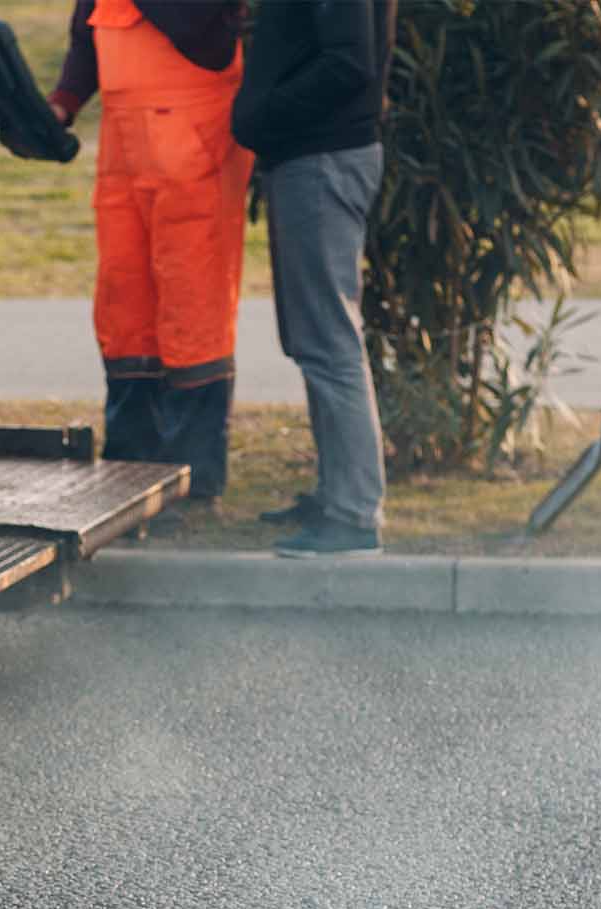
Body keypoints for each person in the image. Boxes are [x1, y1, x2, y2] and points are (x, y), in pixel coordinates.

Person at [50, 0, 251, 505]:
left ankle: (192, 477)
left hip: (195, 125)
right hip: (125, 133)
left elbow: (202, 26)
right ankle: (130, 467)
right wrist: (64, 102)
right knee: (124, 299)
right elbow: (87, 29)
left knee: (194, 296)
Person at [234, 0, 397, 558]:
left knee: (329, 340)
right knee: (315, 340)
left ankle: (353, 515)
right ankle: (337, 497)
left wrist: (265, 114)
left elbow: (350, 63)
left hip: (323, 157)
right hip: (311, 155)